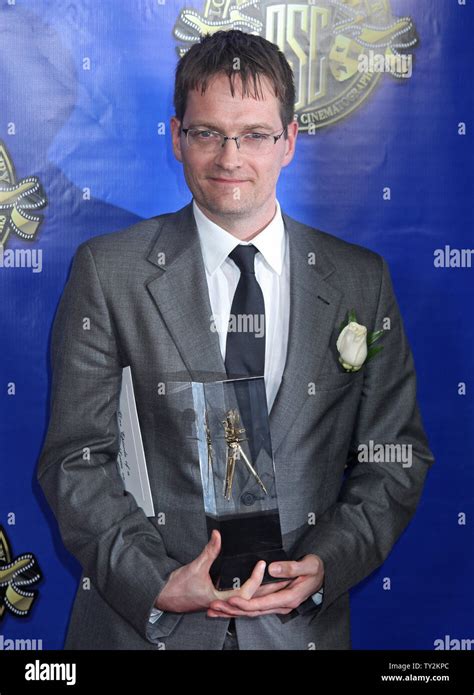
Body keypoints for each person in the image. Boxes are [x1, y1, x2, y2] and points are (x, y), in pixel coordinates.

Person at [37, 29, 434, 650]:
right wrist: (157, 582)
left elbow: (395, 458)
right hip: (142, 633)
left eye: (254, 134)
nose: (230, 157)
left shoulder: (361, 281)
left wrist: (328, 562)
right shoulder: (106, 271)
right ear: (176, 137)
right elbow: (73, 459)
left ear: (290, 141)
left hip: (300, 633)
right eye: (207, 133)